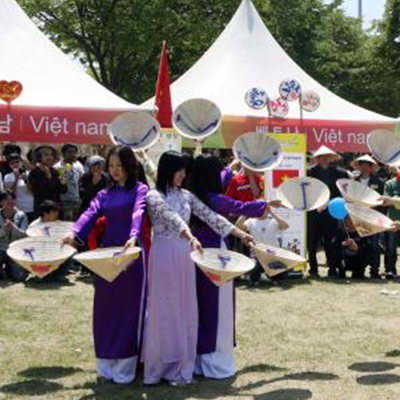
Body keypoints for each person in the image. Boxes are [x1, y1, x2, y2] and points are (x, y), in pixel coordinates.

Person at [143, 151, 253, 386]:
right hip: (164, 253)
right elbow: (172, 217)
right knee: (164, 306)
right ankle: (159, 365)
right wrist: (190, 235)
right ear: (169, 170)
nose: (184, 174)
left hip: (185, 255)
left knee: (185, 308)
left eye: (185, 170)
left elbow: (212, 216)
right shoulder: (153, 195)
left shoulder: (187, 195)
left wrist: (240, 233)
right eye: (180, 170)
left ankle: (182, 364)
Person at [63, 145, 148, 384]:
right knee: (104, 308)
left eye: (119, 166)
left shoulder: (140, 190)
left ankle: (125, 366)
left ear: (129, 166)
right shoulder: (105, 194)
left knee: (128, 309)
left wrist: (133, 236)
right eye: (111, 166)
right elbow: (89, 213)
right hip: (107, 256)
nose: (115, 171)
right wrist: (74, 232)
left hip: (130, 255)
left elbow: (138, 214)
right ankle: (106, 363)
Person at [190, 155, 275, 379]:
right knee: (218, 307)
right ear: (211, 176)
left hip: (195, 256)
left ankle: (197, 359)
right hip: (218, 257)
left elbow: (223, 176)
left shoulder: (191, 197)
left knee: (198, 305)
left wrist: (233, 165)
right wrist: (268, 204)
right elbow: (242, 206)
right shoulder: (215, 200)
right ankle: (216, 360)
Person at [307, 145, 349, 277]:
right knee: (312, 241)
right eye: (321, 157)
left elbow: (344, 194)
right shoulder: (309, 173)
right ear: (317, 159)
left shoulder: (341, 173)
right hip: (314, 212)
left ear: (331, 158)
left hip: (332, 212)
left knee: (331, 241)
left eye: (327, 156)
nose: (324, 159)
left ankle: (332, 267)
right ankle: (313, 268)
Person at [351, 154, 384, 279]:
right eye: (361, 165)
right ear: (358, 167)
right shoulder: (353, 182)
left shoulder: (379, 182)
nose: (364, 168)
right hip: (357, 217)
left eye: (366, 165)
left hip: (373, 218)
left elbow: (382, 201)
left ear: (371, 167)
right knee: (359, 244)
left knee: (374, 246)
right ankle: (358, 270)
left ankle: (374, 270)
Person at [238, 207, 289, 286]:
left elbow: (286, 226)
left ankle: (274, 277)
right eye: (258, 208)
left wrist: (272, 213)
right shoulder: (251, 221)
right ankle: (254, 278)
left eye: (264, 209)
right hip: (257, 256)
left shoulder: (273, 221)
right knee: (253, 266)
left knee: (285, 265)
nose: (261, 211)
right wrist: (245, 211)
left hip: (273, 255)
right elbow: (238, 227)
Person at [28, 146, 67, 217]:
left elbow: (63, 190)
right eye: (46, 155)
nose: (49, 157)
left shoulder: (55, 172)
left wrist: (63, 178)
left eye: (51, 155)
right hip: (42, 210)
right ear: (39, 157)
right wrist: (48, 178)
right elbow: (40, 191)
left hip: (55, 209)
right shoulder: (34, 173)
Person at [0, 190, 29, 282]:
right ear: (1, 202)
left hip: (16, 250)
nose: (10, 202)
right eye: (6, 199)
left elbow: (25, 235)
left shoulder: (21, 215)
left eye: (12, 199)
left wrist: (13, 227)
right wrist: (4, 230)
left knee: (20, 277)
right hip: (1, 249)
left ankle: (8, 268)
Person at [54, 144, 85, 221]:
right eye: (70, 152)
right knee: (67, 225)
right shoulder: (57, 167)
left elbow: (81, 183)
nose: (73, 154)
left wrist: (80, 197)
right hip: (64, 201)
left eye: (74, 152)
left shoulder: (79, 166)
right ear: (63, 154)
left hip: (76, 200)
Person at [4, 153, 34, 222]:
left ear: (21, 162)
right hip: (17, 208)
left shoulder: (29, 173)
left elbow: (34, 191)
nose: (15, 164)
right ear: (9, 165)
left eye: (17, 161)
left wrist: (27, 180)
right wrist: (16, 179)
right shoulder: (8, 176)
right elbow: (10, 194)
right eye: (12, 163)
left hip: (31, 206)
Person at [382, 170, 400, 279]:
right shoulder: (389, 183)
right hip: (392, 222)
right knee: (390, 248)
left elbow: (389, 200)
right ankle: (390, 270)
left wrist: (393, 201)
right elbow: (385, 202)